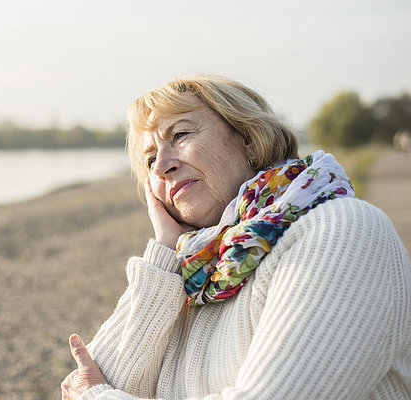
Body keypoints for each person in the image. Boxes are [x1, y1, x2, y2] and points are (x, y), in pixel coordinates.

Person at [60, 76, 411, 400]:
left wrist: (98, 396)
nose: (162, 165)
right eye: (149, 159)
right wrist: (164, 256)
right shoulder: (197, 275)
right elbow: (99, 378)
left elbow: (94, 392)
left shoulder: (342, 232)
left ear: (249, 139)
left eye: (180, 135)